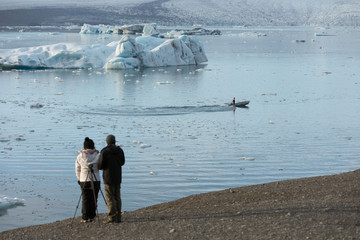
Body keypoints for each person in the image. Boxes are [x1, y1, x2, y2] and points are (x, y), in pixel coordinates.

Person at [98, 134, 125, 223]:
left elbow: (100, 165)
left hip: (108, 177)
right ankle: (118, 217)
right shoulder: (120, 150)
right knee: (117, 196)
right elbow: (122, 162)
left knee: (110, 197)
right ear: (114, 141)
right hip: (117, 177)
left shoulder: (105, 152)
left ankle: (112, 217)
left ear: (107, 142)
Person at [75, 137, 101, 223]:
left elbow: (77, 169)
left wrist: (79, 179)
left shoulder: (80, 156)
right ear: (93, 146)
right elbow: (100, 166)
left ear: (84, 147)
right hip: (96, 179)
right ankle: (92, 216)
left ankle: (85, 217)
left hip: (84, 179)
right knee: (94, 198)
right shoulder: (98, 155)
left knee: (85, 198)